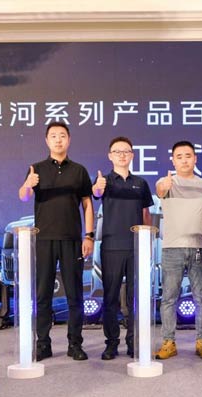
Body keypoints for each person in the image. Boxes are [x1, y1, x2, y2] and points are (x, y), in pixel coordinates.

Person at [19, 121, 94, 362]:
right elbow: (24, 197)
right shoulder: (36, 169)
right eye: (53, 136)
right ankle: (43, 344)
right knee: (43, 295)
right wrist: (27, 184)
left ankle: (75, 344)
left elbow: (87, 204)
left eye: (62, 135)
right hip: (44, 239)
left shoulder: (79, 170)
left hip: (72, 239)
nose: (58, 140)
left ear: (69, 140)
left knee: (75, 295)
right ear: (47, 140)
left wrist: (89, 235)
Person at [154, 141, 202, 360]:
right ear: (173, 160)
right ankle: (168, 342)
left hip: (200, 248)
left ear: (195, 159)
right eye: (179, 156)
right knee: (169, 298)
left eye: (188, 155)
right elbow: (160, 190)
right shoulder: (166, 182)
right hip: (172, 248)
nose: (184, 160)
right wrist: (164, 186)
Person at [92, 137, 153, 360]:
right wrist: (97, 188)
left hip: (135, 247)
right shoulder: (104, 181)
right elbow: (96, 193)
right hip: (111, 247)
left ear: (132, 155)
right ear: (110, 156)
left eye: (126, 151)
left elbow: (146, 213)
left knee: (135, 298)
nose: (122, 155)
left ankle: (133, 342)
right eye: (117, 151)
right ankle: (111, 343)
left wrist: (147, 242)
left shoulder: (141, 183)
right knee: (111, 298)